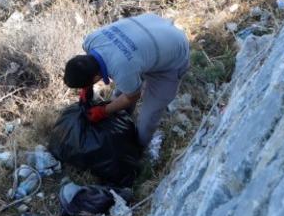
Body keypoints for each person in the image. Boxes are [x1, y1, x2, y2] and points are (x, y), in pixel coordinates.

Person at [62, 13, 190, 150]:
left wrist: (104, 111)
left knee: (148, 117)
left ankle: (139, 148)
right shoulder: (91, 40)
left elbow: (132, 96)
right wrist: (86, 89)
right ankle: (122, 121)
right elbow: (87, 65)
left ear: (95, 79)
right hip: (151, 27)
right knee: (120, 96)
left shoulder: (122, 69)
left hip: (173, 52)